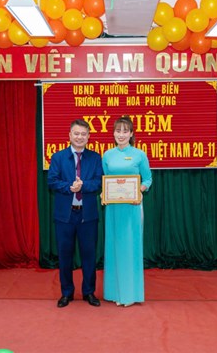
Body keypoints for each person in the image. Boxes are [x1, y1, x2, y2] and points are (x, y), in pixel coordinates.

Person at [47, 119, 103, 308]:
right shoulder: (58, 157)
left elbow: (99, 181)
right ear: (70, 135)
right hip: (65, 216)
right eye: (76, 133)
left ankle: (89, 292)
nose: (80, 137)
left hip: (88, 216)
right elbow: (52, 181)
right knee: (65, 255)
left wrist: (83, 185)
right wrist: (69, 187)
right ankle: (66, 293)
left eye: (83, 134)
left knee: (89, 255)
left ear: (88, 137)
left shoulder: (95, 158)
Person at [102, 116, 152, 307]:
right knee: (114, 246)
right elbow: (105, 179)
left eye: (125, 131)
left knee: (131, 247)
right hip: (113, 208)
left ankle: (131, 294)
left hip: (132, 207)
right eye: (118, 131)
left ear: (131, 134)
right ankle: (114, 292)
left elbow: (147, 179)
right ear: (113, 133)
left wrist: (139, 190)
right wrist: (104, 193)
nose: (121, 135)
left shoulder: (139, 155)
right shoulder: (107, 155)